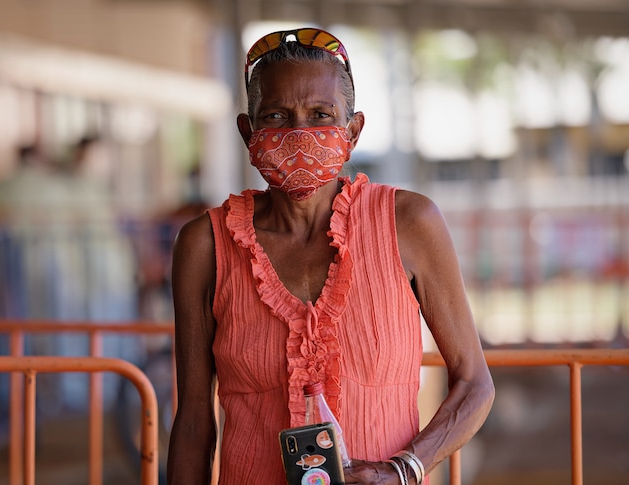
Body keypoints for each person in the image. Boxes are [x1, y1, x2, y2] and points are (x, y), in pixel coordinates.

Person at [166, 27, 495, 485]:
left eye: (321, 114)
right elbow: (194, 421)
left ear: (353, 130)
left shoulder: (409, 224)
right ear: (248, 131)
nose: (300, 133)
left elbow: (475, 385)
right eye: (277, 116)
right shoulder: (205, 245)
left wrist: (403, 469)